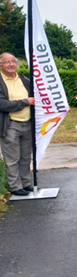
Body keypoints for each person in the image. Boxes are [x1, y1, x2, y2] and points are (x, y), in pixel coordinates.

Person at [0, 53, 35, 196]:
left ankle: (25, 183)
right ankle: (15, 186)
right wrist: (24, 102)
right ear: (1, 65)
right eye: (7, 62)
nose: (11, 64)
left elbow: (37, 95)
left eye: (13, 61)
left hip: (27, 123)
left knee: (26, 157)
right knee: (12, 158)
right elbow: (2, 104)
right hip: (10, 124)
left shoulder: (23, 79)